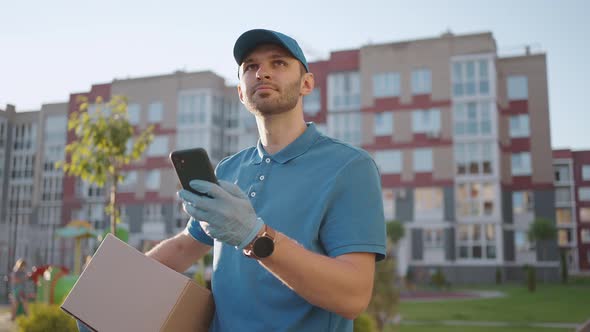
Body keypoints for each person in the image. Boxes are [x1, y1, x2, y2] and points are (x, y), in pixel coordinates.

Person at [78, 29, 386, 332]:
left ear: (306, 83)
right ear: (240, 91)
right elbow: (187, 245)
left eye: (278, 63)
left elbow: (353, 296)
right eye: (251, 66)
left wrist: (256, 237)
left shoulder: (349, 167)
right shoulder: (227, 169)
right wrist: (116, 290)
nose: (262, 72)